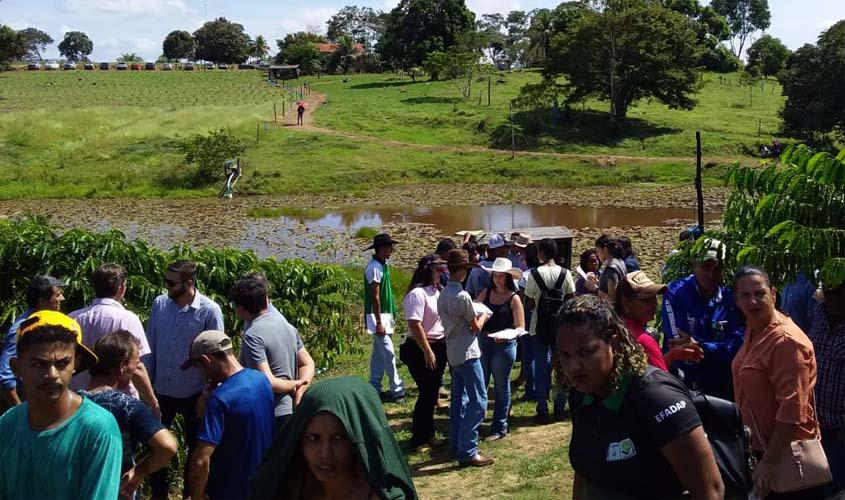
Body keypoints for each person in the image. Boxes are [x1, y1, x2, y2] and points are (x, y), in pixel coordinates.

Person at [558, 296, 724, 500]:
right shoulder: (581, 395)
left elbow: (711, 491)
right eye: (565, 355)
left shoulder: (655, 396)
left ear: (615, 342)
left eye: (585, 352)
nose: (574, 366)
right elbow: (585, 471)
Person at [0, 311, 123, 499]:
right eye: (39, 364)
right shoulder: (7, 424)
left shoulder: (97, 429)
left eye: (62, 363)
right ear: (17, 368)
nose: (52, 374)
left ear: (76, 363)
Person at [731, 266, 826, 499]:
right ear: (736, 299)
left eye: (759, 293)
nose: (753, 301)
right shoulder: (754, 329)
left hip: (786, 456)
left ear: (773, 294)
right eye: (745, 295)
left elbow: (793, 411)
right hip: (759, 450)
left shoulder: (786, 341)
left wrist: (770, 463)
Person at [249, 377, 418, 499]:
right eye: (313, 438)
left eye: (338, 438)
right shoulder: (286, 487)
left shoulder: (381, 495)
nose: (325, 454)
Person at [146, 260, 224, 499]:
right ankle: (159, 493)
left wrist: (206, 394)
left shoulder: (209, 311)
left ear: (189, 283)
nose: (167, 288)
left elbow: (219, 356)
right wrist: (147, 389)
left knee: (195, 446)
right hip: (161, 391)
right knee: (156, 445)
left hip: (194, 393)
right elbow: (150, 347)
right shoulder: (160, 304)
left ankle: (191, 494)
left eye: (172, 283)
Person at [80, 331, 178, 499]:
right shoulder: (126, 406)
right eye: (137, 364)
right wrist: (140, 472)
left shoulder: (73, 401)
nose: (137, 371)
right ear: (122, 366)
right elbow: (167, 446)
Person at [183, 330, 275, 500]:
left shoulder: (221, 399)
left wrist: (196, 496)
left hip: (231, 489)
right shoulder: (261, 380)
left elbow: (202, 459)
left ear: (206, 360)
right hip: (262, 485)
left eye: (198, 368)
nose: (201, 375)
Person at [70, 263, 158, 415]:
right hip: (118, 401)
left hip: (78, 399)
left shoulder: (73, 318)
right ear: (121, 289)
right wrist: (152, 402)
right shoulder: (128, 319)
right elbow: (136, 367)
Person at [661, 239, 744, 400]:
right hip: (682, 381)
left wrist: (701, 344)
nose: (711, 274)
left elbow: (737, 345)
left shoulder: (730, 298)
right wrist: (718, 348)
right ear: (694, 264)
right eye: (706, 267)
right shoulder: (674, 293)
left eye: (717, 268)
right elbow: (679, 345)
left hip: (721, 382)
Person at [230, 273, 315, 430]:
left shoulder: (253, 335)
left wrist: (295, 384)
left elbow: (267, 381)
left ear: (240, 309)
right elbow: (308, 363)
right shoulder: (287, 326)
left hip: (271, 412)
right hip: (292, 408)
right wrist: (301, 388)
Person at [438, 249, 494, 467]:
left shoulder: (443, 294)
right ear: (461, 271)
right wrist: (484, 316)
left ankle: (456, 444)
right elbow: (474, 326)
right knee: (479, 401)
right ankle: (468, 450)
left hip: (453, 351)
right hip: (468, 352)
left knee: (459, 400)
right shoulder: (462, 296)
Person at [399, 255, 449, 448]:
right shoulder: (417, 294)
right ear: (428, 270)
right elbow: (415, 324)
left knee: (432, 392)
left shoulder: (437, 291)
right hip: (420, 348)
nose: (441, 274)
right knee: (426, 392)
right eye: (438, 270)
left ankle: (428, 432)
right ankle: (419, 436)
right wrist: (427, 351)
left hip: (438, 344)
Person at [524, 238, 574, 423]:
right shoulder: (566, 273)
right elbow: (571, 298)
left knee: (541, 366)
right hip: (561, 327)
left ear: (542, 253)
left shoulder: (534, 274)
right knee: (561, 367)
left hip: (539, 326)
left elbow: (529, 302)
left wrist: (539, 302)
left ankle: (542, 409)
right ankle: (560, 407)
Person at [615, 271, 703, 371]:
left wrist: (672, 355)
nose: (655, 304)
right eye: (647, 300)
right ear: (625, 302)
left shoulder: (617, 329)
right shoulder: (644, 341)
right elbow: (659, 383)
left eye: (654, 297)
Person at [477, 257, 524, 441]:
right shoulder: (485, 294)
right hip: (484, 344)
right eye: (495, 276)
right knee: (481, 384)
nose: (497, 280)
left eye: (501, 276)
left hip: (503, 347)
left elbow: (520, 327)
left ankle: (499, 426)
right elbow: (475, 311)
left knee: (500, 386)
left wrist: (506, 335)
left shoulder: (514, 298)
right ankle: (477, 422)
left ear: (508, 278)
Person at [1, 275, 65, 409]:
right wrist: (19, 409)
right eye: (57, 295)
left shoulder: (48, 321)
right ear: (42, 300)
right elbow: (4, 374)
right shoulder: (24, 327)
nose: (62, 299)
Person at [807, 284, 845, 496]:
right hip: (815, 425)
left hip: (840, 431)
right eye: (828, 292)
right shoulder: (820, 313)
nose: (832, 298)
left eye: (839, 293)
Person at [363, 233, 405, 403]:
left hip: (385, 315)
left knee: (379, 355)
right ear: (381, 249)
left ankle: (374, 386)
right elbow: (375, 297)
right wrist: (379, 322)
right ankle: (397, 390)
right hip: (378, 317)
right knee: (389, 353)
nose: (392, 250)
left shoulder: (383, 265)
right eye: (389, 247)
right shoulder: (374, 268)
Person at [465, 233, 510, 299]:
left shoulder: (476, 268)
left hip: (479, 306)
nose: (507, 250)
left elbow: (470, 293)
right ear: (497, 249)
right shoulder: (503, 268)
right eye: (505, 248)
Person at [595, 234, 627, 302]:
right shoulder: (620, 261)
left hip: (612, 311)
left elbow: (612, 300)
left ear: (605, 249)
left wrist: (595, 289)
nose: (597, 254)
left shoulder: (611, 269)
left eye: (598, 251)